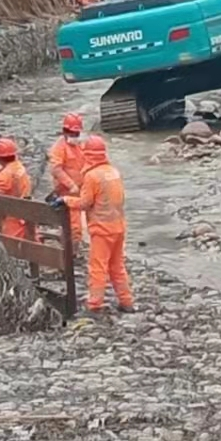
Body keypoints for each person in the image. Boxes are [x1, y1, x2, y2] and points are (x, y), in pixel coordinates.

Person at [60, 134, 133, 314]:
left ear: (88, 155)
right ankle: (126, 302)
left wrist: (65, 201)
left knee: (98, 267)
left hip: (102, 229)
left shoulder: (92, 176)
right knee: (117, 266)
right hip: (119, 226)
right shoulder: (113, 172)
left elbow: (85, 203)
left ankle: (94, 304)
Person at [48, 112, 86, 248]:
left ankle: (71, 248)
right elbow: (56, 169)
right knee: (73, 225)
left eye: (77, 134)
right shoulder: (59, 148)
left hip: (78, 192)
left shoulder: (78, 146)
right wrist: (71, 185)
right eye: (72, 133)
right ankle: (71, 252)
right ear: (65, 131)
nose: (75, 136)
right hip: (67, 192)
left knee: (75, 224)